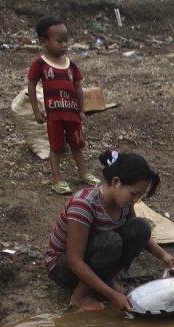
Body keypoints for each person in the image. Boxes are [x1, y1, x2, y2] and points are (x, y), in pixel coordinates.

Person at [44, 150, 174, 312]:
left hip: (95, 257)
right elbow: (75, 261)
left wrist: (163, 255)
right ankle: (80, 295)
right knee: (111, 241)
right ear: (116, 182)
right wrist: (111, 295)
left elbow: (136, 231)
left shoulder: (124, 203)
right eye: (134, 194)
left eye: (139, 195)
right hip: (64, 267)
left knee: (140, 227)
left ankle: (105, 279)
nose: (136, 200)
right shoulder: (83, 205)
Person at [27, 16, 100, 195]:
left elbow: (78, 88)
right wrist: (36, 111)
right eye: (59, 41)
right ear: (44, 41)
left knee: (77, 144)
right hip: (54, 115)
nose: (64, 45)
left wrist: (81, 110)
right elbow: (31, 84)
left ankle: (83, 173)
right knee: (56, 147)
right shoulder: (41, 63)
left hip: (72, 113)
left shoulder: (71, 65)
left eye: (66, 40)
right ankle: (57, 179)